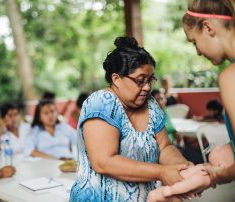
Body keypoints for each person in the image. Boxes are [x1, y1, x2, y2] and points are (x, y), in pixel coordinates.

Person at [70, 37, 193, 202]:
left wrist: (181, 167)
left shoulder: (151, 105)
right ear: (116, 79)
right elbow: (103, 162)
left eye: (150, 80)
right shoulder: (101, 103)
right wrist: (161, 172)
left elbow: (164, 147)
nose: (148, 87)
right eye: (140, 80)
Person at [182, 0, 235, 201]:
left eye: (194, 42)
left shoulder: (234, 75)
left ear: (208, 28)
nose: (198, 52)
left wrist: (219, 174)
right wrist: (232, 148)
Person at [147, 143, 234, 202]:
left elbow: (185, 185)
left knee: (168, 197)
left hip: (169, 189)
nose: (216, 147)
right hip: (171, 178)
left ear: (219, 166)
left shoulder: (204, 176)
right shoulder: (205, 168)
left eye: (219, 150)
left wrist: (170, 190)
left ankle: (154, 196)